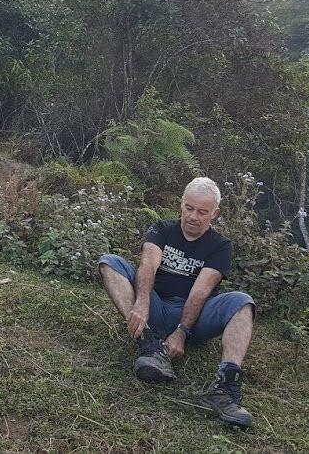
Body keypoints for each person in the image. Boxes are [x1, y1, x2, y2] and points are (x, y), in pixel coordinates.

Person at [97, 177, 256, 427]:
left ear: (215, 213)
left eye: (202, 212)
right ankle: (148, 342)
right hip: (156, 308)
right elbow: (148, 264)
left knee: (243, 302)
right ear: (181, 204)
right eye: (188, 208)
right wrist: (141, 304)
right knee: (110, 262)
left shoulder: (221, 246)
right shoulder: (162, 229)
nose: (193, 216)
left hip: (195, 316)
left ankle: (226, 387)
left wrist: (182, 331)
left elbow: (201, 291)